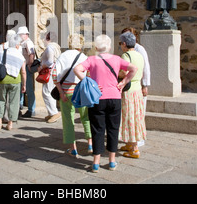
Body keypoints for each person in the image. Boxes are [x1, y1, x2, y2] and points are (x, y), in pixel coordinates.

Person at [74, 34, 136, 173]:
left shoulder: (91, 59)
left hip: (97, 98)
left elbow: (77, 69)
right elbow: (134, 69)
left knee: (97, 130)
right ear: (109, 47)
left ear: (96, 47)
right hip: (115, 97)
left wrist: (90, 83)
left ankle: (96, 163)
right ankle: (112, 161)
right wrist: (123, 82)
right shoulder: (116, 59)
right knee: (113, 129)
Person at [53, 34, 91, 157]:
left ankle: (73, 148)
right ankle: (90, 143)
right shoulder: (84, 57)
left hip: (66, 91)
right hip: (81, 91)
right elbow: (88, 75)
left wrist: (61, 92)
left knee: (68, 119)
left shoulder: (62, 56)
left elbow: (55, 76)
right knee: (86, 117)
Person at [118, 31, 146, 158]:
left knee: (129, 117)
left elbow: (124, 72)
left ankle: (134, 148)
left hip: (128, 90)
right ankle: (131, 143)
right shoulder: (139, 55)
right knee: (136, 117)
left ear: (124, 44)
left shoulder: (126, 56)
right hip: (137, 89)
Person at [0, 33, 26, 131]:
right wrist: (24, 84)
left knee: (1, 100)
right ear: (16, 45)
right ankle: (10, 123)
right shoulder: (19, 55)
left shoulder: (1, 53)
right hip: (15, 80)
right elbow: (23, 71)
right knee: (13, 102)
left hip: (2, 80)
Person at [38, 31, 62, 123]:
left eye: (45, 38)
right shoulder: (56, 47)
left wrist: (41, 67)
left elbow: (50, 61)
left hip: (50, 71)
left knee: (47, 92)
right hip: (54, 71)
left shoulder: (50, 48)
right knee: (48, 91)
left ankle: (54, 112)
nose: (44, 40)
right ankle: (51, 112)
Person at [18, 26, 37, 118]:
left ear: (25, 35)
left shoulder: (28, 43)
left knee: (29, 89)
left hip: (26, 67)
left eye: (21, 34)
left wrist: (29, 65)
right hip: (23, 66)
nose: (19, 36)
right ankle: (20, 105)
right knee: (22, 86)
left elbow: (32, 54)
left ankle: (31, 109)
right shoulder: (23, 43)